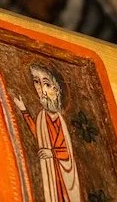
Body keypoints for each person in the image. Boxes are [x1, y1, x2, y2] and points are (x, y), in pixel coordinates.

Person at [11, 65, 81, 202]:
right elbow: (39, 135)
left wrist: (52, 153)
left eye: (47, 84)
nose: (41, 89)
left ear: (57, 90)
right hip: (50, 171)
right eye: (37, 82)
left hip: (63, 173)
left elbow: (67, 152)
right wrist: (24, 110)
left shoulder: (60, 121)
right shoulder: (42, 116)